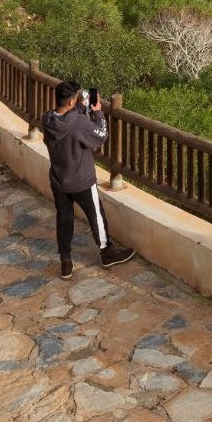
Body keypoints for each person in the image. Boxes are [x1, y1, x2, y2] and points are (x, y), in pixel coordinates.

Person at [40, 80, 135, 279]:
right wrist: (98, 113)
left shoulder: (47, 119)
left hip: (59, 180)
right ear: (71, 101)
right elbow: (101, 137)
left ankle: (65, 261)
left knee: (64, 219)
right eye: (76, 98)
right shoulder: (80, 124)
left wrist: (81, 107)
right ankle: (107, 253)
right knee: (96, 216)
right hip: (81, 180)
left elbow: (67, 121)